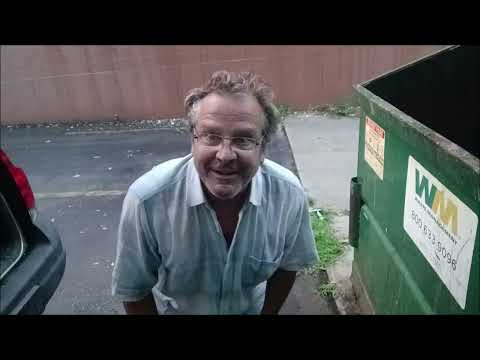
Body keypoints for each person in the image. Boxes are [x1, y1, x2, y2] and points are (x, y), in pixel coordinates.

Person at [112, 70, 318, 314]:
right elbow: (134, 289)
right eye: (211, 136)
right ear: (193, 140)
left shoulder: (288, 195)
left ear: (262, 149)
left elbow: (288, 267)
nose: (225, 155)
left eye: (243, 139)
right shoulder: (147, 200)